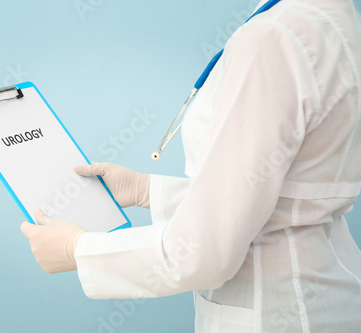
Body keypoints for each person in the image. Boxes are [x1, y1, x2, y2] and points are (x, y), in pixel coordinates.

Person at [20, 0, 361, 331]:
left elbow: (203, 254)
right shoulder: (335, 20)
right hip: (331, 293)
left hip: (276, 309)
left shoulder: (273, 37)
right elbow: (291, 195)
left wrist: (79, 250)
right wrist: (147, 190)